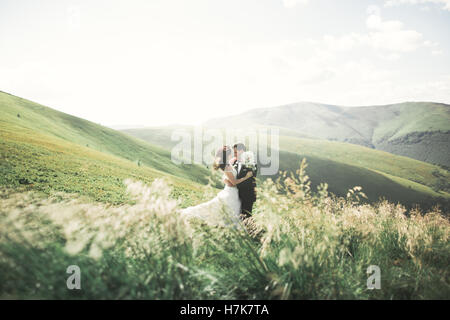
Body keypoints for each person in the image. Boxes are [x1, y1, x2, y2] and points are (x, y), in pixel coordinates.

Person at [180, 146, 253, 226]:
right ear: (227, 155)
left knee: (229, 210)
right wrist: (246, 177)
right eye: (230, 153)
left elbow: (229, 177)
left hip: (234, 192)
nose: (232, 154)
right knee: (216, 208)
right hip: (231, 193)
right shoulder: (226, 166)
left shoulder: (229, 163)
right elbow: (234, 182)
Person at [233, 143, 257, 220]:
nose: (234, 154)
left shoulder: (251, 164)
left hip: (247, 195)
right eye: (234, 152)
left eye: (236, 152)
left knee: (246, 216)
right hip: (236, 195)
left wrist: (236, 184)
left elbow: (250, 180)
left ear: (242, 151)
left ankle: (253, 231)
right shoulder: (235, 163)